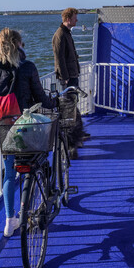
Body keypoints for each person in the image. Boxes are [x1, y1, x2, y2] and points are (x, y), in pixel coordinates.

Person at [0, 28, 56, 237]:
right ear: (19, 44)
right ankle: (36, 203)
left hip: (4, 130)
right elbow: (40, 97)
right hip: (26, 129)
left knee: (9, 173)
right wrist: (53, 103)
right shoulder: (27, 67)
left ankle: (9, 221)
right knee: (37, 160)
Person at [52, 8, 88, 159]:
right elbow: (59, 58)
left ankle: (78, 135)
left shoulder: (66, 33)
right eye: (75, 18)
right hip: (67, 79)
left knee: (73, 107)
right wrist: (65, 78)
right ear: (68, 18)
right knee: (69, 110)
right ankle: (74, 139)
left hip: (72, 75)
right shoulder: (60, 35)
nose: (77, 20)